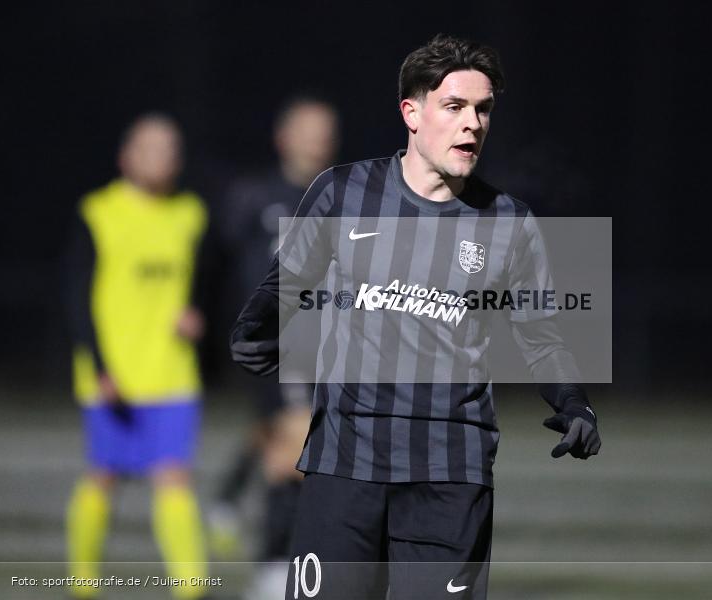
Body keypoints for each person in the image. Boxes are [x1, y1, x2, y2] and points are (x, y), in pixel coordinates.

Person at [230, 35, 601, 599]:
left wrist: (572, 400)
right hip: (343, 464)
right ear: (412, 111)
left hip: (451, 475)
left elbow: (540, 333)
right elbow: (281, 292)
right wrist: (256, 344)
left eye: (483, 110)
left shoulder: (508, 222)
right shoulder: (341, 193)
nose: (472, 123)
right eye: (455, 107)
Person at [64, 113, 210, 600]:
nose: (164, 157)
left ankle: (192, 589)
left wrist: (197, 315)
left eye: (171, 148)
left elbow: (207, 282)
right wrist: (102, 369)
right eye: (152, 148)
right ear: (127, 156)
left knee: (174, 477)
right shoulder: (98, 212)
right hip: (115, 377)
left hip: (172, 373)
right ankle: (82, 585)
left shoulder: (190, 213)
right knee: (102, 479)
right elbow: (76, 298)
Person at [208, 96, 339, 598]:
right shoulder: (253, 198)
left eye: (325, 130)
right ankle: (272, 566)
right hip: (276, 347)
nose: (318, 139)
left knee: (292, 450)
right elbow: (219, 268)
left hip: (330, 349)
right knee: (296, 448)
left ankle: (232, 504)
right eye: (307, 129)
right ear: (283, 137)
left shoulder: (346, 198)